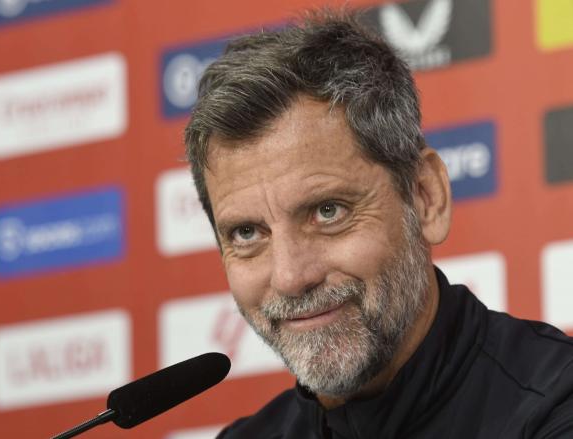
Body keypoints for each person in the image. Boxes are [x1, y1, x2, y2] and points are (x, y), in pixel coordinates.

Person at [184, 8, 573, 439]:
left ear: (426, 197)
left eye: (327, 212)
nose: (291, 276)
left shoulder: (556, 407)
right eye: (247, 233)